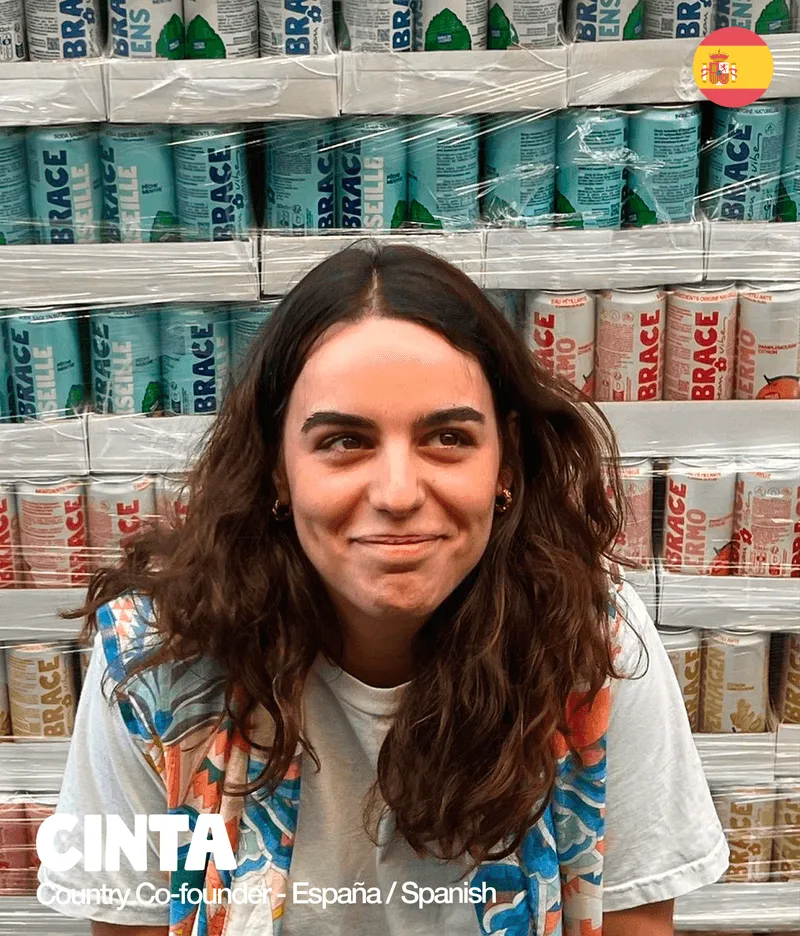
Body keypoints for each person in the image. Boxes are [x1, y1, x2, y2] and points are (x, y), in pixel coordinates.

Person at [39, 242, 728, 936]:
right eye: (344, 441)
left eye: (448, 438)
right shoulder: (157, 659)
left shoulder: (594, 643)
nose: (398, 494)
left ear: (505, 462)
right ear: (278, 468)